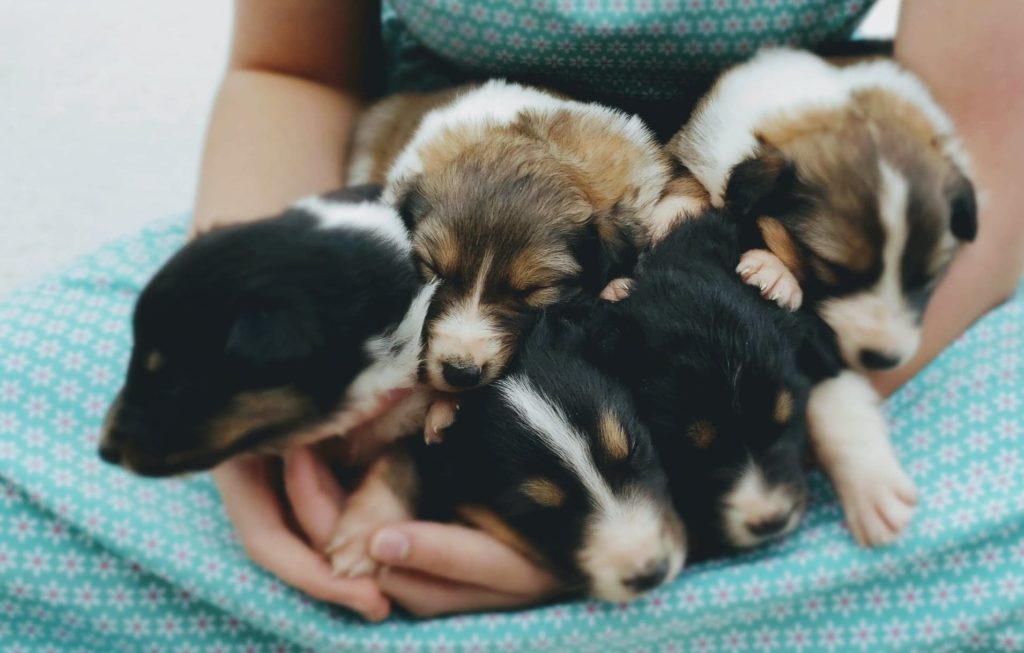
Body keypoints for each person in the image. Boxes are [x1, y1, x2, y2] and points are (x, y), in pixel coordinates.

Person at [196, 0, 1024, 621]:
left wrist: (655, 482)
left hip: (785, 310)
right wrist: (252, 348)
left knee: (991, 556)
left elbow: (983, 157)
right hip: (424, 207)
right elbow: (290, 72)